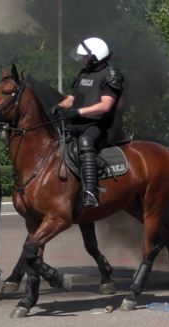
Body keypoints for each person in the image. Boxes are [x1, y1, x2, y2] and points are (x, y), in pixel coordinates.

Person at [51, 37, 125, 209]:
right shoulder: (83, 74)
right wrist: (57, 107)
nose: (82, 60)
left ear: (95, 57)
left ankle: (90, 192)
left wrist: (78, 111)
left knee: (85, 142)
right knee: (56, 139)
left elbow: (105, 106)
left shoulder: (110, 76)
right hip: (76, 122)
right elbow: (70, 99)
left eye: (84, 57)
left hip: (97, 125)